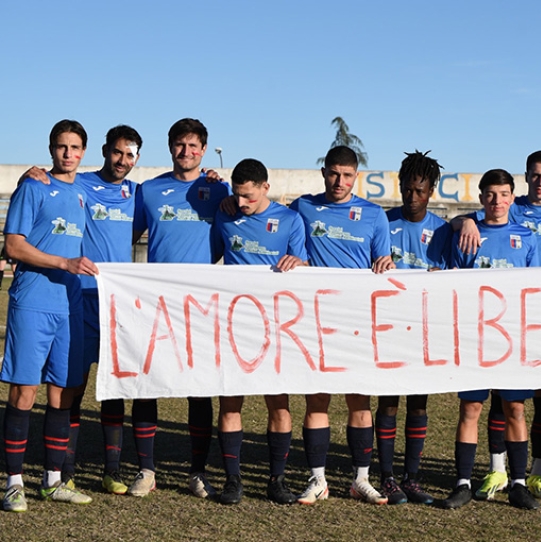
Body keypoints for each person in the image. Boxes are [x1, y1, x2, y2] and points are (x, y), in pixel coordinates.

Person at [452, 151, 541, 501]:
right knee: (496, 402)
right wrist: (464, 222)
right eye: (535, 175)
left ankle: (534, 474)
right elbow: (463, 223)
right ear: (525, 179)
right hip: (493, 325)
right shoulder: (509, 208)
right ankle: (497, 472)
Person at [289, 145, 394, 505]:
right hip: (315, 318)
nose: (339, 181)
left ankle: (360, 479)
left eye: (347, 175)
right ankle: (317, 479)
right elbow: (264, 215)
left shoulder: (373, 215)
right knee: (317, 400)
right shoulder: (302, 208)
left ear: (356, 177)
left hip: (356, 321)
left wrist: (386, 265)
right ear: (323, 173)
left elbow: (384, 261)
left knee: (358, 402)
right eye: (334, 173)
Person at [1, 120, 98, 512]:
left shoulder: (84, 192)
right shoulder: (33, 186)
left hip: (69, 307)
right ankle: (13, 482)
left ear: (84, 152)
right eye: (61, 147)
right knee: (24, 392)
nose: (68, 154)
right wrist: (63, 262)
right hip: (32, 302)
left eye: (75, 147)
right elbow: (13, 246)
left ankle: (53, 480)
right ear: (51, 148)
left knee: (63, 393)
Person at [132, 118, 231, 499]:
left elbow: (234, 237)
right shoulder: (150, 190)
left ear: (204, 149)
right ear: (170, 146)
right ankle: (146, 469)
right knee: (145, 383)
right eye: (179, 145)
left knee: (199, 388)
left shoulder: (218, 189)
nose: (186, 152)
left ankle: (197, 471)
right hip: (155, 301)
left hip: (201, 303)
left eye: (193, 146)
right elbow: (125, 234)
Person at [211, 158, 308, 505]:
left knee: (278, 404)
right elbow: (206, 261)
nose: (241, 203)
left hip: (276, 326)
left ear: (266, 188)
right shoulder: (225, 213)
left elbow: (305, 264)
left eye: (249, 197)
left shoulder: (290, 220)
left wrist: (300, 262)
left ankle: (276, 480)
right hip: (234, 322)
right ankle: (232, 480)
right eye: (237, 196)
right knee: (230, 401)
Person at [442, 168, 540, 511]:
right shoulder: (467, 234)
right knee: (470, 408)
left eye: (503, 195)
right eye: (490, 195)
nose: (497, 201)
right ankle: (463, 483)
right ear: (481, 198)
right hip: (474, 337)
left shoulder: (526, 237)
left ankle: (518, 483)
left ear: (513, 198)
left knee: (515, 408)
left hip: (512, 338)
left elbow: (536, 290)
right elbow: (453, 283)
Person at [376, 150, 450, 505]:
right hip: (388, 326)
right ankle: (387, 477)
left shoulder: (444, 230)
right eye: (407, 190)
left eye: (420, 191)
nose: (412, 197)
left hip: (425, 329)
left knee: (418, 403)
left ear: (431, 190)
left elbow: (457, 278)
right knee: (389, 400)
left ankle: (412, 477)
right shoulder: (382, 222)